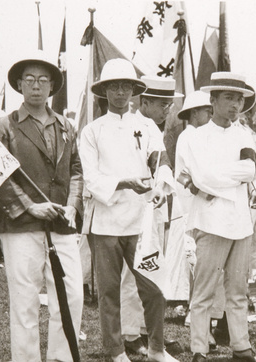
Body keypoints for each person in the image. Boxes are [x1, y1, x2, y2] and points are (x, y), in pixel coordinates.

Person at [79, 58, 177, 362]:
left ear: (134, 91)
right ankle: (116, 351)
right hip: (106, 223)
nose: (120, 92)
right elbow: (92, 178)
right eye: (114, 86)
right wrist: (124, 183)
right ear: (105, 90)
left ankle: (157, 349)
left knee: (153, 287)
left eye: (125, 86)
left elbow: (160, 162)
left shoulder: (146, 126)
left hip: (141, 221)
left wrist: (160, 186)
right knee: (109, 293)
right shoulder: (91, 131)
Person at [0, 53, 84, 362]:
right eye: (29, 80)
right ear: (19, 85)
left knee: (71, 294)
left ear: (53, 87)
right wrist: (29, 206)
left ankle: (61, 357)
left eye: (44, 80)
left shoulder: (66, 126)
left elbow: (76, 171)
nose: (36, 86)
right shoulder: (5, 126)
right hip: (21, 226)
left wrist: (71, 206)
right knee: (24, 301)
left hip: (61, 223)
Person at [177, 71, 256, 362]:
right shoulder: (195, 137)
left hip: (240, 222)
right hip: (210, 221)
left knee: (238, 290)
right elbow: (200, 177)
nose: (235, 105)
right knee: (203, 291)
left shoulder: (246, 135)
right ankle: (200, 349)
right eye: (228, 98)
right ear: (212, 100)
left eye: (239, 99)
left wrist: (215, 180)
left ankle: (241, 346)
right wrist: (225, 179)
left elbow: (250, 171)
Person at [120, 75, 183, 357]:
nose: (165, 111)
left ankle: (146, 332)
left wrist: (161, 184)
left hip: (151, 207)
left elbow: (162, 163)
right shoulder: (129, 124)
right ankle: (130, 334)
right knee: (131, 277)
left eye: (168, 106)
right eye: (160, 104)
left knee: (151, 269)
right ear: (143, 102)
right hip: (126, 210)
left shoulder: (153, 129)